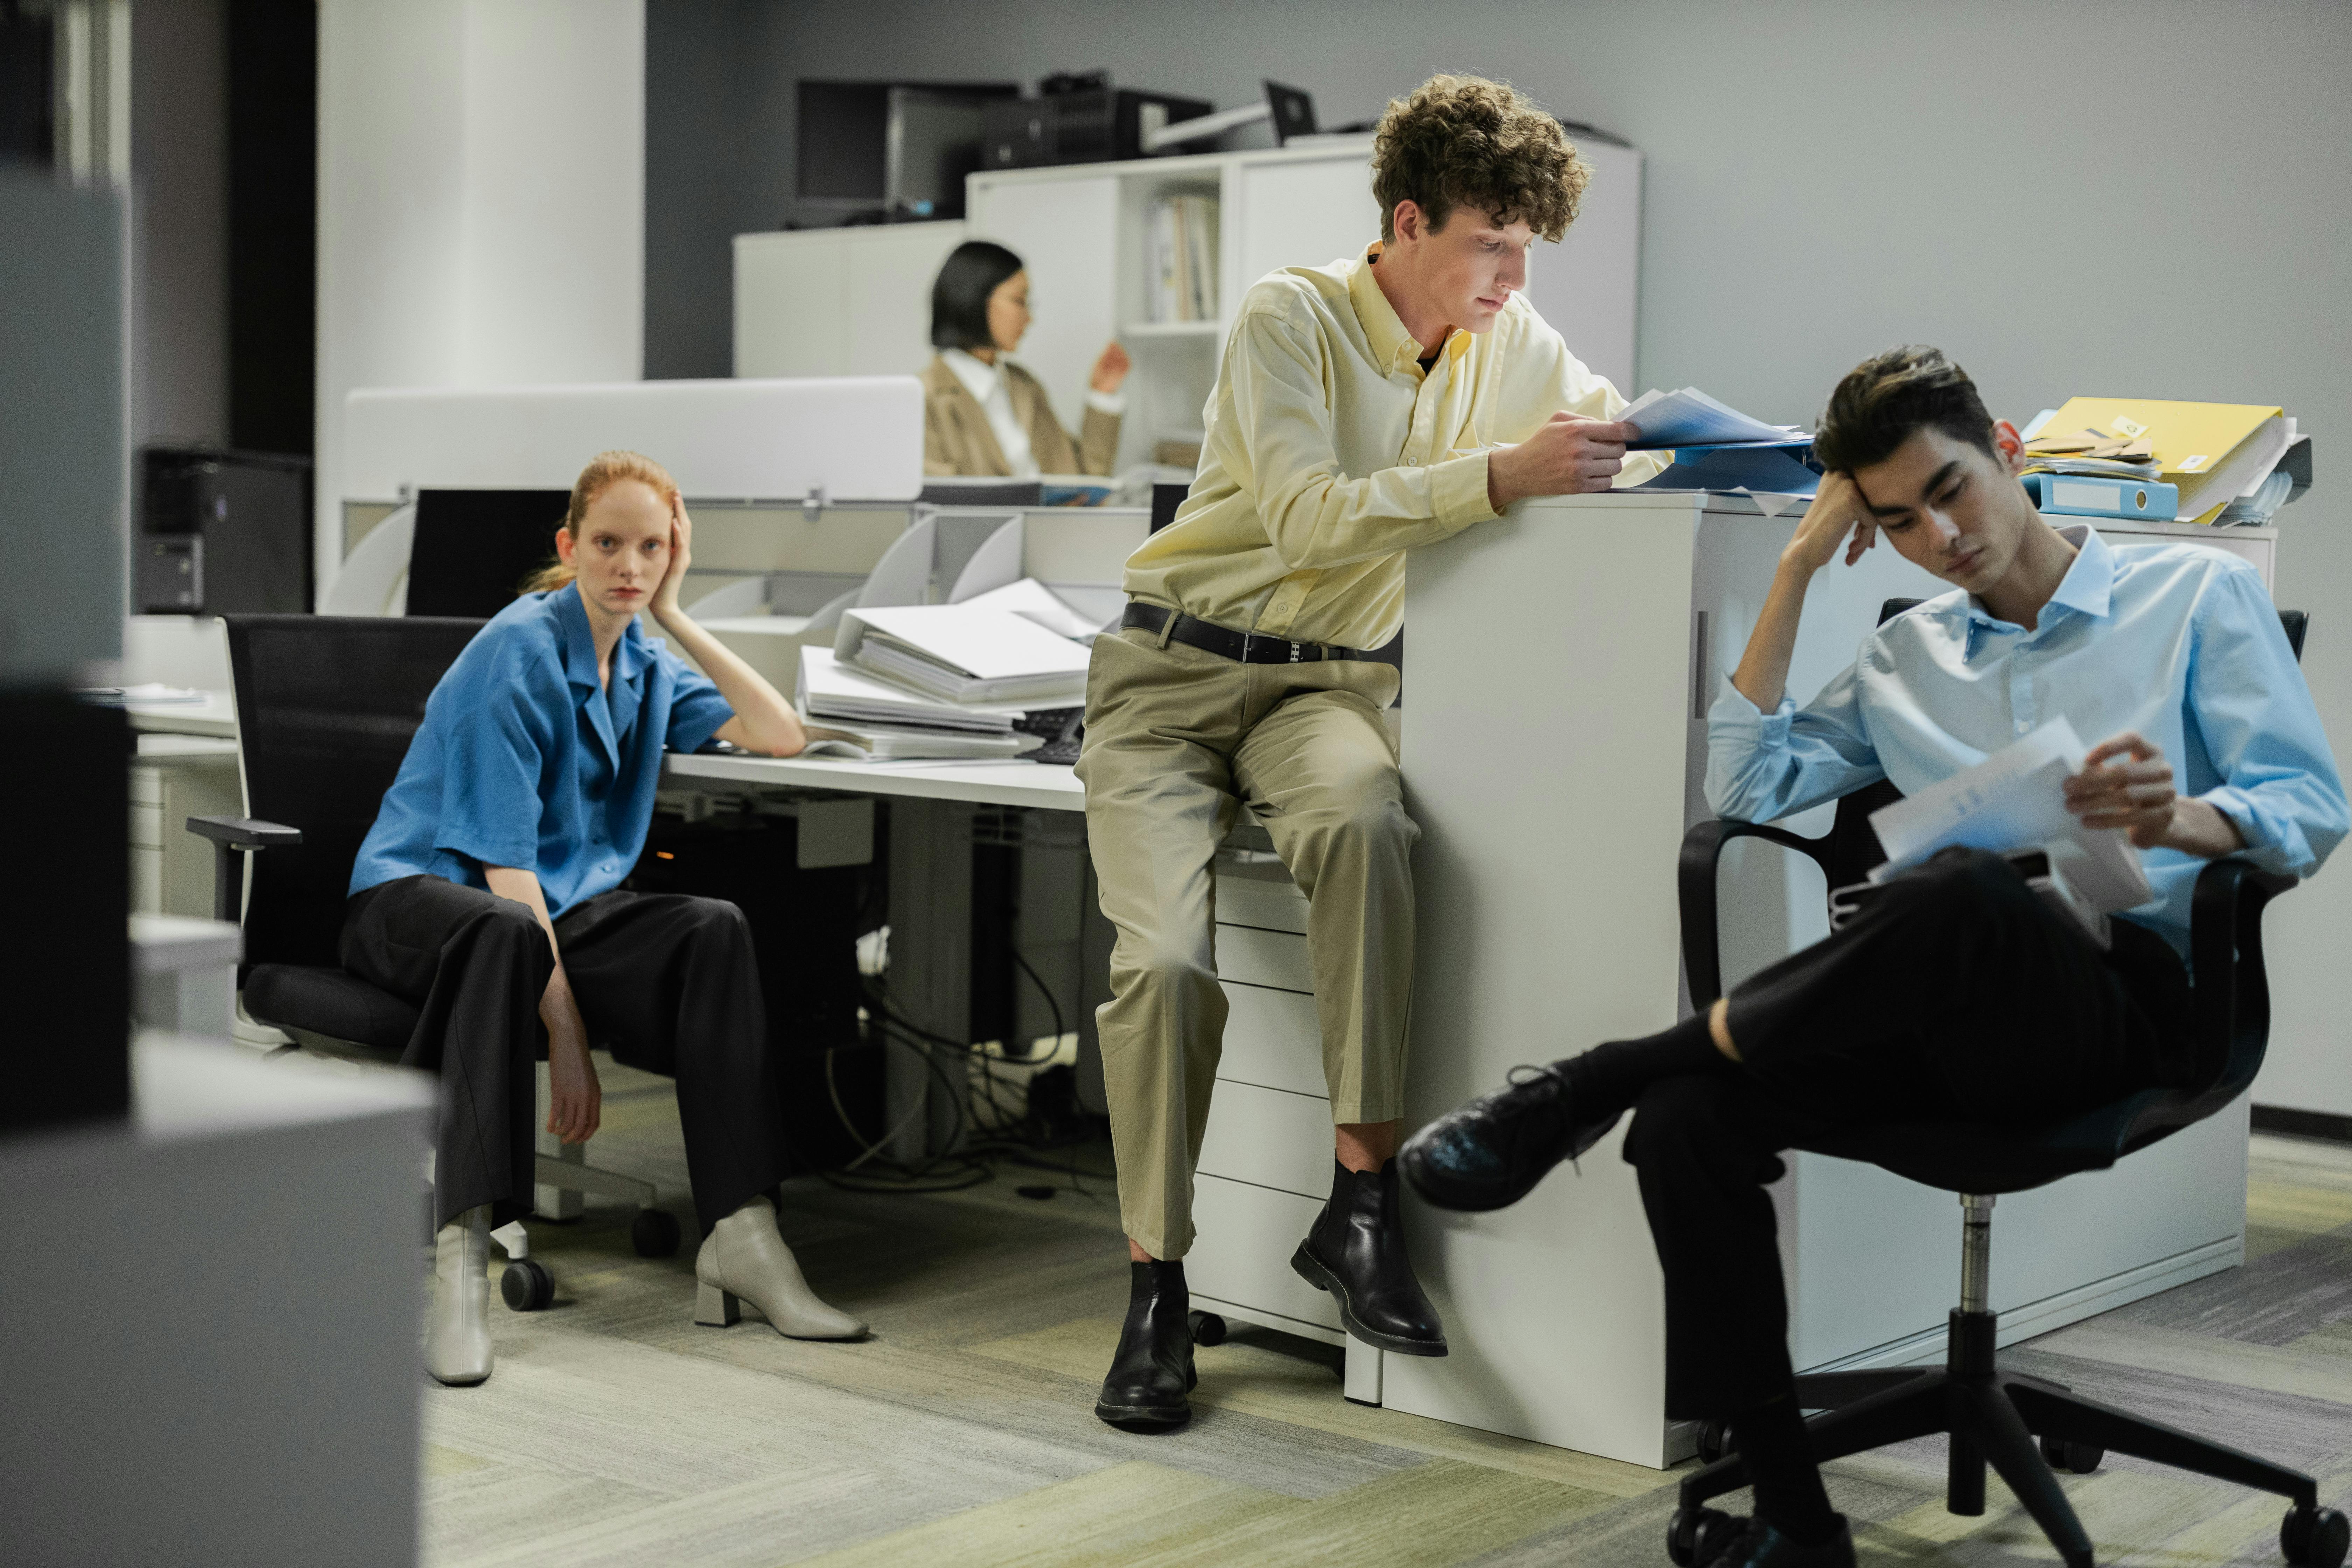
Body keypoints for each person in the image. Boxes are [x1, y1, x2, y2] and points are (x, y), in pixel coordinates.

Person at [1401, 345, 2348, 1568]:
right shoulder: (1911, 659)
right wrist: (1798, 565)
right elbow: (1744, 783)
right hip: (1945, 1020)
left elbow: (2309, 809)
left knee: (1966, 892)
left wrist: (2179, 819)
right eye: (1895, 519)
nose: (1938, 535)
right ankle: (1798, 1522)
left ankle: (1589, 1079)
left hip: (2128, 1009)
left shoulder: (2194, 600)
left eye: (1950, 489)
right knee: (1691, 1115)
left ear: (2007, 450)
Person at [1076, 73, 1666, 1432]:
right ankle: (1156, 1286)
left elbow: (1629, 441)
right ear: (1408, 221)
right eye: (1490, 244)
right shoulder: (1292, 315)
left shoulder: (1516, 340)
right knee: (1161, 965)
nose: (1514, 278)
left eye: (1528, 250)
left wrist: (1827, 466)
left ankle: (1357, 1203)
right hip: (1170, 678)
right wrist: (1498, 478)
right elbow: (1304, 519)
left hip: (1327, 692)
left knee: (1369, 829)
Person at [345, 449, 868, 1388]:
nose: (630, 564)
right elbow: (505, 869)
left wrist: (673, 611)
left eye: (653, 548)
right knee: (501, 934)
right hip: (417, 897)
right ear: (569, 546)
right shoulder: (517, 650)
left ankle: (745, 1237)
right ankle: (460, 1263)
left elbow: (779, 732)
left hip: (551, 911)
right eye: (609, 544)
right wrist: (570, 1036)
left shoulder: (645, 659)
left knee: (714, 925)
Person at [921, 239, 1129, 478]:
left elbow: (1084, 480)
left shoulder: (1023, 385)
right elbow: (945, 506)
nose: (1029, 318)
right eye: (1019, 301)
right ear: (973, 298)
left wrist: (1101, 394)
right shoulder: (924, 399)